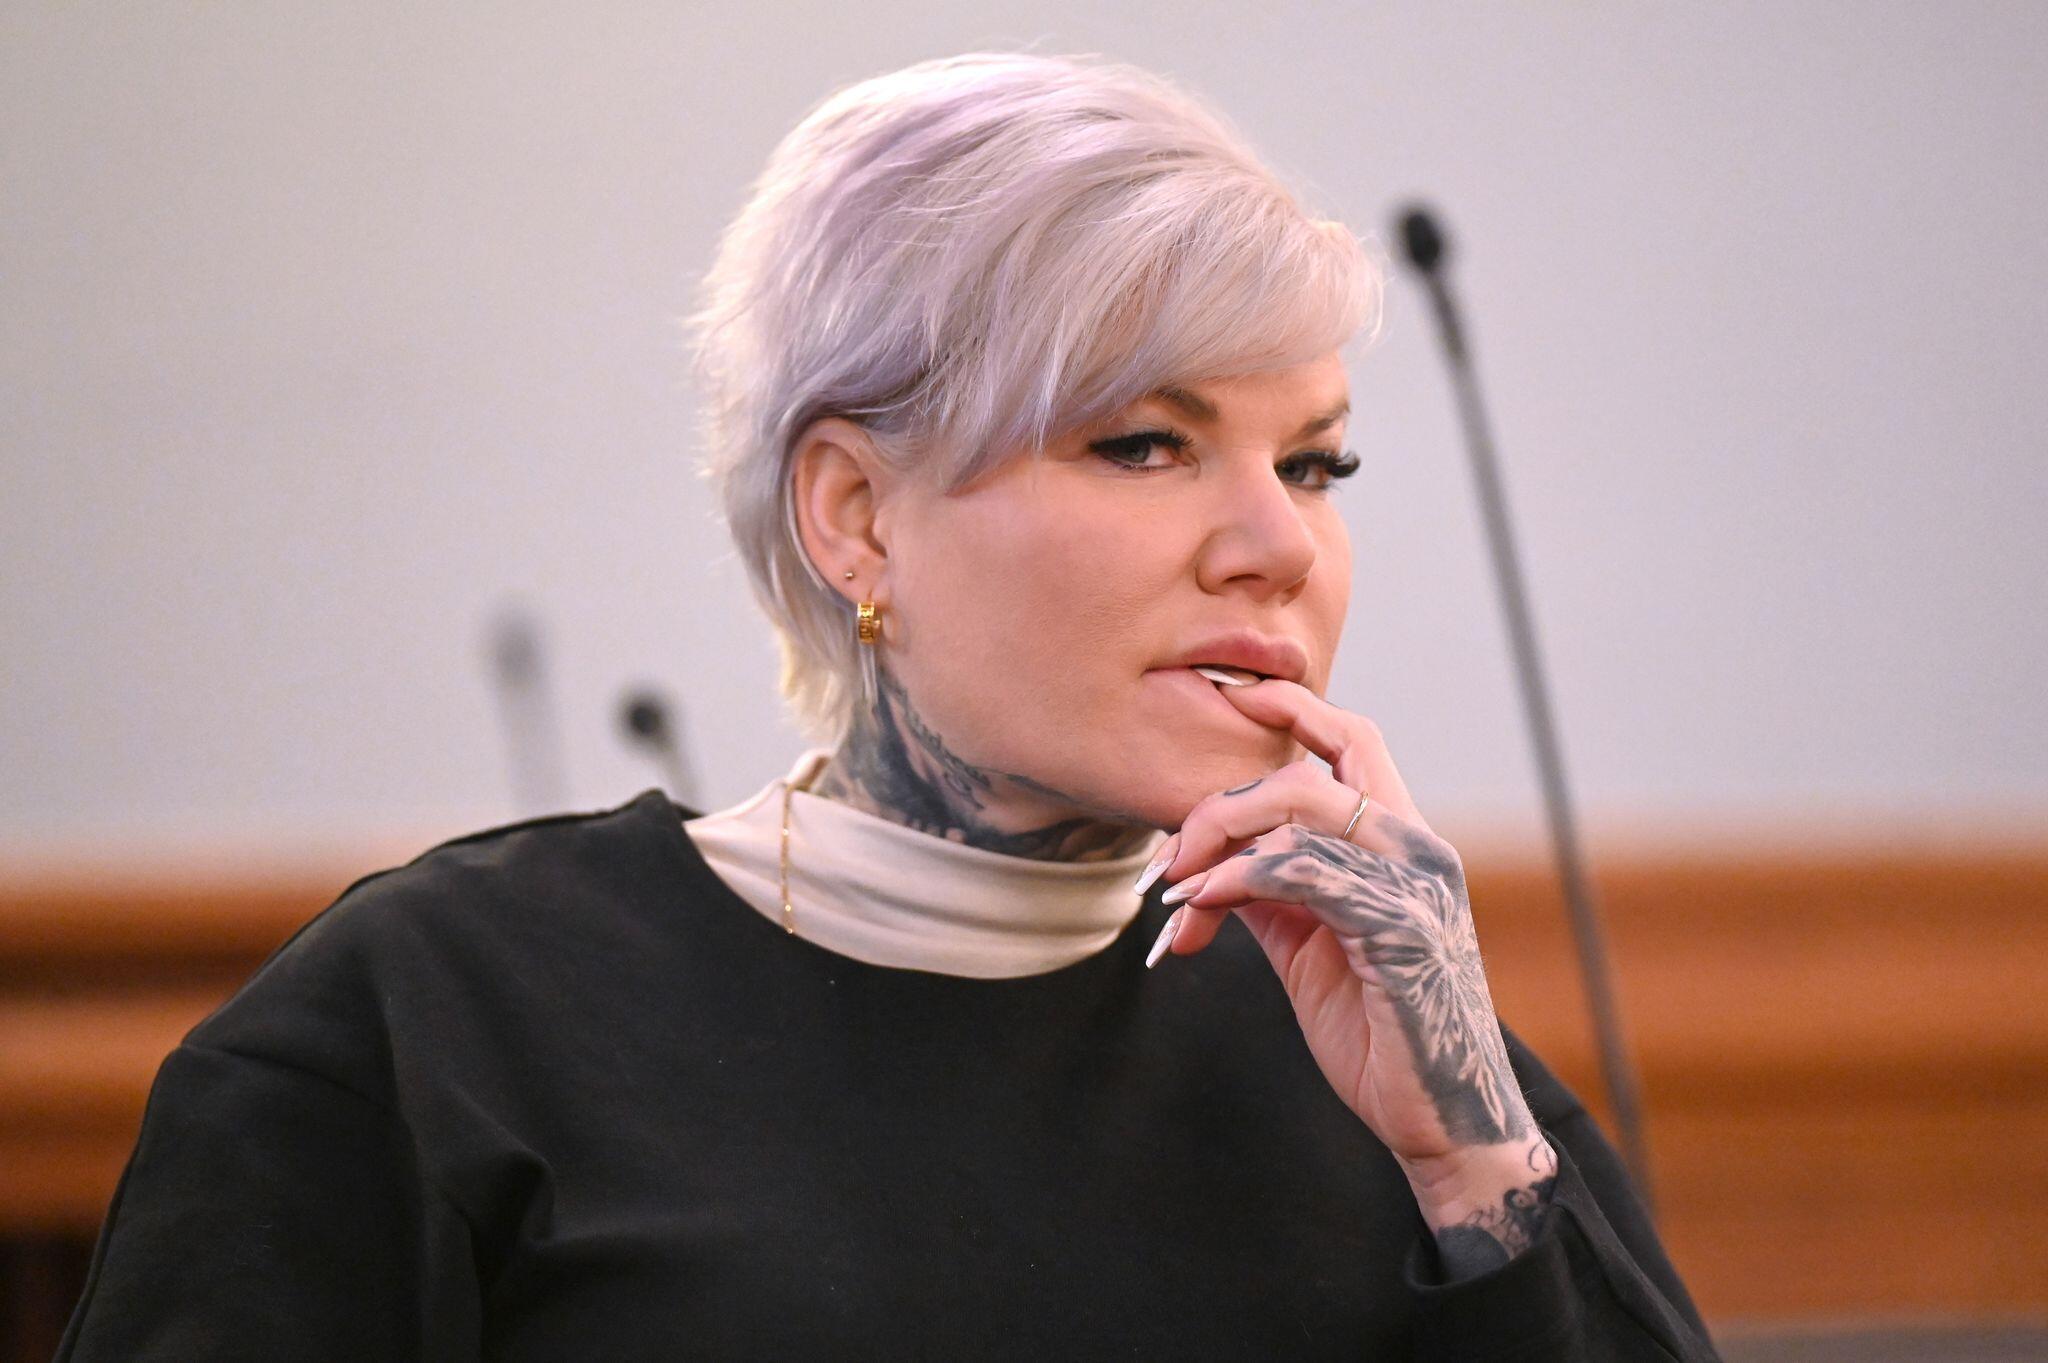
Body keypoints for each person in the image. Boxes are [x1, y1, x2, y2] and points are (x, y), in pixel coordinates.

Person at [57, 51, 1719, 1361]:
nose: (1280, 545)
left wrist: (1474, 1164)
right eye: (1145, 443)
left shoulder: (1399, 1060)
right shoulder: (424, 1036)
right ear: (854, 515)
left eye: (1315, 464)